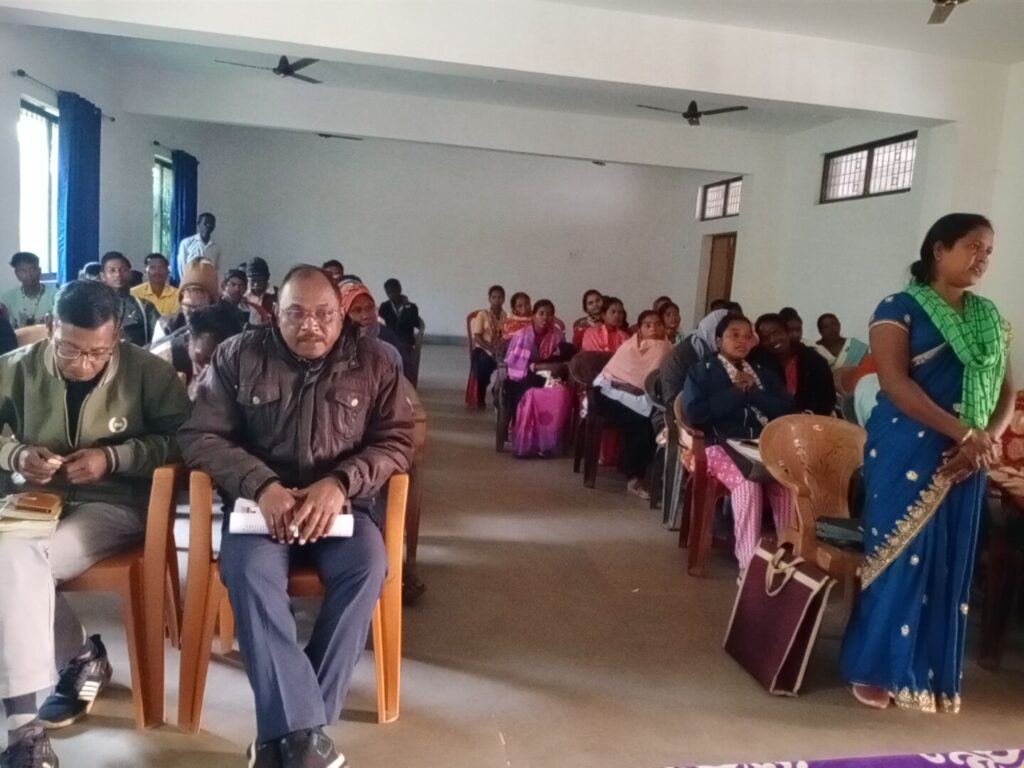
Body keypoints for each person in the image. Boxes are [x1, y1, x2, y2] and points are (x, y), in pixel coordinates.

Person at [178, 265, 413, 767]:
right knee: (248, 572)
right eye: (296, 314)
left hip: (342, 508)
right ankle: (306, 740)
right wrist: (261, 484)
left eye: (324, 314)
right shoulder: (238, 355)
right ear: (273, 314)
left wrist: (340, 482)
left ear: (341, 315)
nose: (311, 325)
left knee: (367, 566)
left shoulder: (375, 361)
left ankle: (287, 736)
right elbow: (201, 436)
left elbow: (397, 441)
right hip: (262, 510)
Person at [0, 280, 190, 768]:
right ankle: (83, 656)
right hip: (33, 503)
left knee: (13, 562)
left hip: (113, 506)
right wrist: (15, 455)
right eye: (70, 349)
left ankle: (24, 732)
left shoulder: (149, 373)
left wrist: (115, 458)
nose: (84, 363)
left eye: (99, 352)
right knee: (13, 560)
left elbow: (184, 441)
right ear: (50, 327)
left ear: (118, 335)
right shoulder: (15, 369)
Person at [840, 213, 1013, 713]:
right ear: (939, 249)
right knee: (898, 554)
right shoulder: (899, 308)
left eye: (988, 251)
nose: (982, 258)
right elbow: (895, 384)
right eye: (973, 247)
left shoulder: (989, 317)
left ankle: (926, 672)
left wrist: (985, 441)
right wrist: (964, 434)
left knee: (948, 560)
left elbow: (1005, 390)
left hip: (970, 456)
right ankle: (874, 666)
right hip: (908, 447)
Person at [683, 314, 795, 575]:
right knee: (748, 484)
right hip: (718, 445)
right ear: (718, 340)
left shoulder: (763, 374)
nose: (742, 340)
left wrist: (754, 392)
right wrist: (735, 392)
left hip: (761, 445)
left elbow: (786, 410)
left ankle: (786, 559)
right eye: (734, 335)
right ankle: (748, 565)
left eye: (747, 336)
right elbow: (696, 414)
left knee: (788, 484)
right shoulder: (701, 371)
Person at [592, 310, 673, 498]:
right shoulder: (630, 345)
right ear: (640, 329)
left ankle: (645, 472)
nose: (653, 329)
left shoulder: (666, 347)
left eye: (658, 324)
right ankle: (634, 478)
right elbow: (616, 376)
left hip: (639, 396)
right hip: (607, 394)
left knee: (653, 418)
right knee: (640, 422)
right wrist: (630, 387)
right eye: (648, 325)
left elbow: (655, 381)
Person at [150, 301, 243, 400]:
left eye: (218, 360)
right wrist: (190, 399)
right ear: (190, 339)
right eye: (206, 358)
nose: (209, 366)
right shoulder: (161, 360)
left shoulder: (241, 359)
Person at [751, 313, 836, 415]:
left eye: (776, 333)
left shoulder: (814, 360)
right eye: (765, 338)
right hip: (773, 420)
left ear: (787, 331)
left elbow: (827, 398)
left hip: (812, 418)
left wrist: (807, 414)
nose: (772, 340)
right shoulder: (758, 362)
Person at [504, 299, 570, 425]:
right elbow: (514, 364)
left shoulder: (557, 335)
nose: (545, 318)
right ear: (533, 316)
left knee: (561, 391)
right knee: (526, 387)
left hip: (549, 375)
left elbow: (562, 359)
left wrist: (549, 368)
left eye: (549, 314)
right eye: (541, 313)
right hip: (522, 375)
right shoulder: (522, 335)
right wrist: (537, 366)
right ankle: (523, 424)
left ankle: (550, 428)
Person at [659, 308, 729, 408]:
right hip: (683, 411)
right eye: (732, 334)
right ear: (712, 331)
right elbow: (674, 402)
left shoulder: (722, 354)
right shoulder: (679, 357)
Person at [339, 281, 405, 375]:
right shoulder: (333, 348)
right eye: (357, 310)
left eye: (369, 308)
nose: (365, 316)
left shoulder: (388, 341)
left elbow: (406, 378)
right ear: (343, 316)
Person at [99, 252, 161, 347]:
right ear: (103, 276)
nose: (118, 274)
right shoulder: (94, 307)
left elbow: (159, 339)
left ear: (130, 273)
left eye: (123, 270)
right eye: (112, 270)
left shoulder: (144, 306)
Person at [151, 259, 220, 344]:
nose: (192, 312)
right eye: (188, 306)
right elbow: (155, 350)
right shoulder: (165, 325)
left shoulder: (223, 326)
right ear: (181, 301)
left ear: (211, 303)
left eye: (198, 307)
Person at [469, 286, 507, 409]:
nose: (497, 300)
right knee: (484, 363)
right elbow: (477, 336)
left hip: (499, 349)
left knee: (510, 362)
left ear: (504, 299)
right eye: (494, 297)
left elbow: (507, 336)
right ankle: (481, 397)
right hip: (483, 348)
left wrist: (499, 349)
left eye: (500, 297)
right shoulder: (482, 314)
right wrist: (491, 349)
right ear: (489, 299)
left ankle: (498, 388)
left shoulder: (506, 316)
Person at [380, 279, 421, 384]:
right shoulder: (384, 307)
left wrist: (404, 311)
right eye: (388, 293)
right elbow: (381, 323)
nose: (391, 295)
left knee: (401, 350)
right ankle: (387, 379)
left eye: (393, 292)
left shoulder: (412, 307)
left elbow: (415, 324)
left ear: (399, 290)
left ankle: (404, 379)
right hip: (389, 339)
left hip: (405, 339)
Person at [1, 252, 56, 329]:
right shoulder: (7, 299)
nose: (29, 275)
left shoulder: (55, 296)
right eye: (23, 271)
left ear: (39, 271)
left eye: (33, 269)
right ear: (16, 274)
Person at [175, 212, 222, 277]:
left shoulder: (216, 248)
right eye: (206, 223)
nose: (208, 225)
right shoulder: (186, 243)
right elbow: (182, 266)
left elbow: (216, 269)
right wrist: (185, 281)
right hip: (190, 281)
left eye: (212, 224)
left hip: (208, 281)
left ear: (214, 226)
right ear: (198, 224)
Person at [244, 258, 277, 326]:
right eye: (253, 281)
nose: (256, 284)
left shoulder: (277, 294)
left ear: (267, 279)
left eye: (260, 280)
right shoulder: (242, 295)